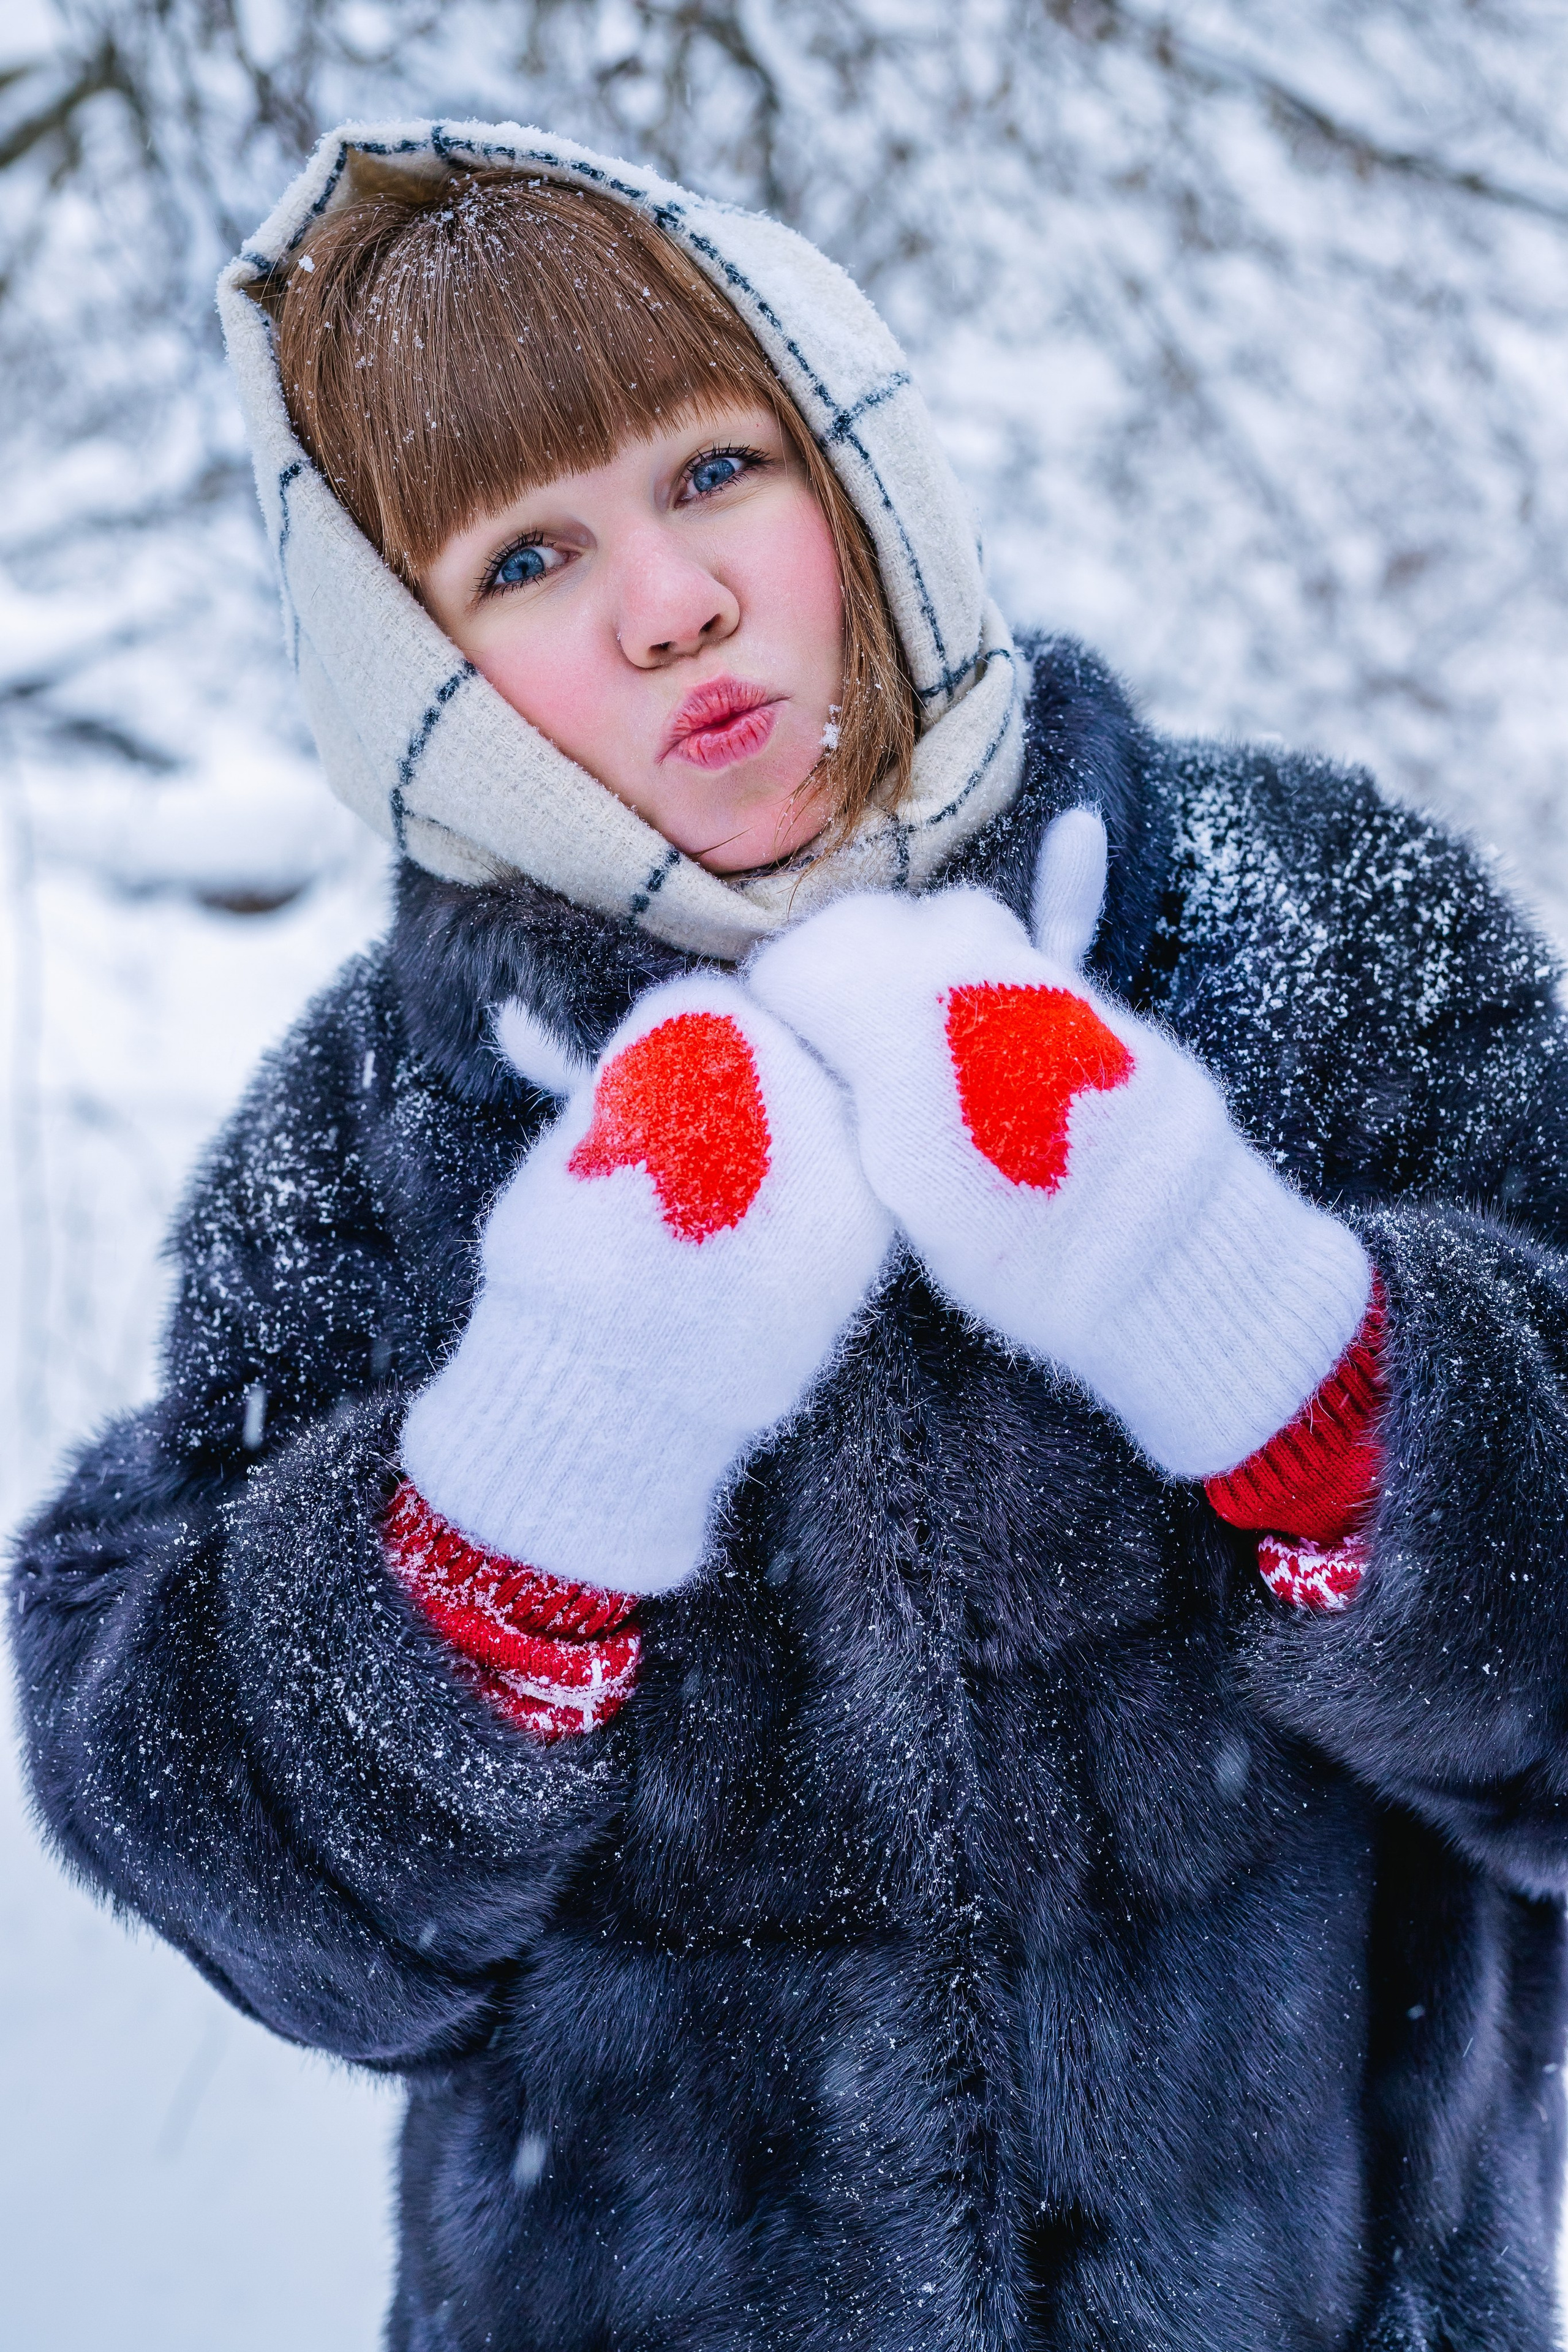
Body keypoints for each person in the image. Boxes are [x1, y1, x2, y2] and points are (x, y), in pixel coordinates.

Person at [10, 118, 1568, 2352]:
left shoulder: (1314, 933)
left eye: (718, 467)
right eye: (523, 560)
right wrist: (520, 1497)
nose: (671, 602)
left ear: (860, 472)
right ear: (406, 664)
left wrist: (1284, 1350)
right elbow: (267, 1895)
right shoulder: (370, 1137)